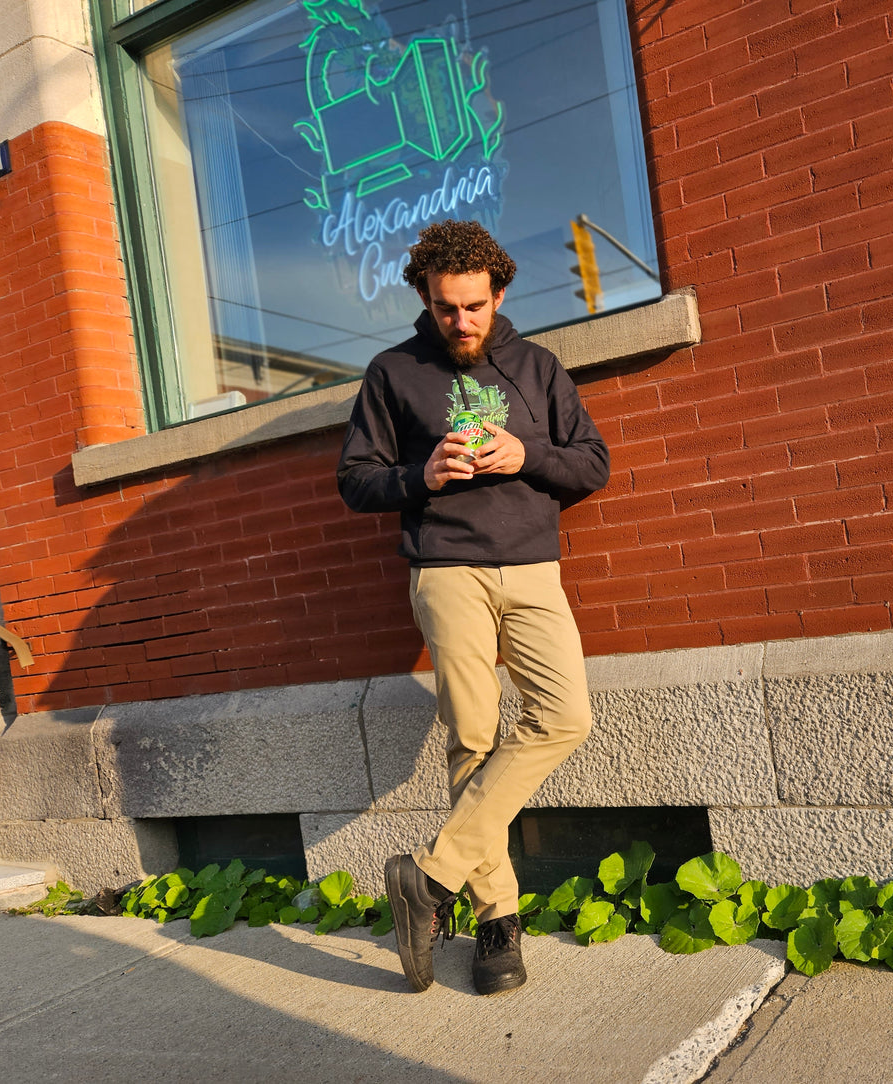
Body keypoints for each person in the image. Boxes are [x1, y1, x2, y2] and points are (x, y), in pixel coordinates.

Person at [336, 219, 610, 994]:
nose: (461, 321)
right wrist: (420, 475)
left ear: (500, 293)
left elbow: (593, 463)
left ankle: (428, 878)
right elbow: (356, 480)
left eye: (474, 306)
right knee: (474, 736)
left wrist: (530, 456)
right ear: (425, 297)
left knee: (563, 717)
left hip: (530, 566)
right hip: (446, 567)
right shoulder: (393, 372)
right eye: (446, 307)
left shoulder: (538, 366)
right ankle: (497, 925)